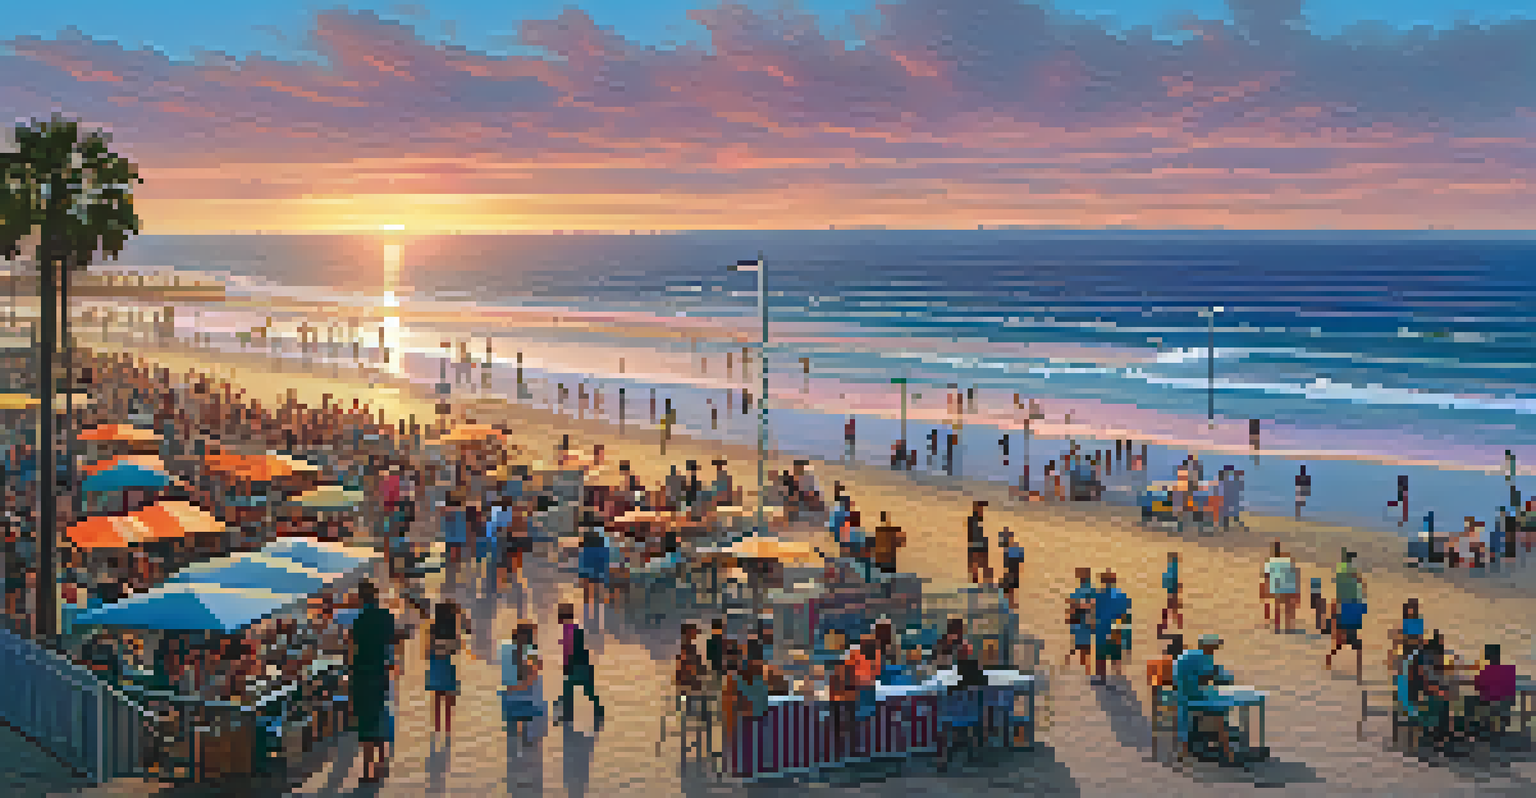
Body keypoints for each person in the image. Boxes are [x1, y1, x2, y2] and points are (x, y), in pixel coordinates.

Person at [348, 581, 397, 782]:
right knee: (380, 716)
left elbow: (353, 649)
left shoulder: (358, 620)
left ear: (361, 598)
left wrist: (350, 674)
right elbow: (393, 642)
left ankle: (367, 771)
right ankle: (381, 765)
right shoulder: (386, 617)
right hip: (380, 672)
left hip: (362, 673)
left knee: (366, 723)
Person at [1174, 634, 1236, 764]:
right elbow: (1209, 677)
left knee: (1190, 712)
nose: (1215, 650)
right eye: (1214, 647)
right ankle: (1227, 751)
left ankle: (1186, 749)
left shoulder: (1190, 654)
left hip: (1181, 695)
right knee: (1220, 711)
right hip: (1191, 696)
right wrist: (1220, 676)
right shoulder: (1203, 657)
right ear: (1208, 647)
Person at [425, 600, 470, 735]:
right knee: (448, 699)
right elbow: (456, 648)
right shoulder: (452, 632)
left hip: (435, 666)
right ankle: (447, 728)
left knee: (438, 698)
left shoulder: (433, 628)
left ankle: (438, 727)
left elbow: (428, 651)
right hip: (447, 666)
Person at [556, 603, 603, 725]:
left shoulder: (568, 630)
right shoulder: (575, 627)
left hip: (575, 666)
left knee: (569, 690)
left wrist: (566, 666)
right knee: (587, 691)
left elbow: (569, 650)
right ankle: (598, 710)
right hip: (584, 665)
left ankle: (567, 714)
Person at [500, 621, 544, 743]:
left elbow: (506, 677)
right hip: (527, 700)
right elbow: (533, 676)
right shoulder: (530, 651)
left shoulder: (506, 648)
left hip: (509, 699)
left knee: (512, 738)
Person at [1325, 550, 1367, 681]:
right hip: (1351, 608)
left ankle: (1329, 661)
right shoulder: (1351, 574)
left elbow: (1341, 589)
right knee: (1352, 644)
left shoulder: (1341, 572)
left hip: (1345, 607)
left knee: (1339, 642)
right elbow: (1360, 585)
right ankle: (1358, 673)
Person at [1469, 644, 1517, 738]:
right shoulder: (1509, 670)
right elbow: (1512, 690)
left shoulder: (1485, 671)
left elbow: (1477, 687)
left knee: (1470, 700)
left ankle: (1477, 725)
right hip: (1505, 706)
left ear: (1489, 656)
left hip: (1490, 706)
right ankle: (1501, 724)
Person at [1092, 570, 1129, 684]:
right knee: (1115, 656)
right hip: (1116, 631)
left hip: (1102, 632)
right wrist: (1127, 640)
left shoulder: (1098, 596)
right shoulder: (1122, 597)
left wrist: (1092, 628)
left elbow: (1094, 614)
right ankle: (1117, 678)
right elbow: (1126, 618)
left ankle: (1101, 677)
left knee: (1101, 657)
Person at [1263, 542, 1301, 633]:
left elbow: (1267, 577)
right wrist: (1296, 589)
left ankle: (1277, 627)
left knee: (1277, 608)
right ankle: (1289, 627)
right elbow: (1294, 573)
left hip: (1277, 587)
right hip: (1289, 587)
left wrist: (1266, 590)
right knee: (1288, 608)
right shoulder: (1287, 560)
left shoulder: (1270, 562)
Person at [1065, 567, 1096, 675]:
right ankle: (1085, 671)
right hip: (1084, 624)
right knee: (1083, 649)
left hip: (1082, 624)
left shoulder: (1081, 592)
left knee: (1081, 648)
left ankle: (1084, 670)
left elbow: (1074, 605)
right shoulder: (1089, 591)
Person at [675, 623, 705, 693]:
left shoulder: (689, 647)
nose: (695, 635)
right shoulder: (686, 649)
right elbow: (686, 666)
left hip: (689, 682)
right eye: (693, 632)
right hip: (688, 683)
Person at [966, 500, 991, 585]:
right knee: (977, 564)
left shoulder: (978, 520)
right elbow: (971, 535)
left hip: (978, 544)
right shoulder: (973, 520)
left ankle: (982, 581)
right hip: (976, 545)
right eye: (980, 509)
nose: (982, 512)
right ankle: (978, 581)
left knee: (980, 564)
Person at [999, 528, 1025, 609]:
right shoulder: (1013, 548)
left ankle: (1008, 603)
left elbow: (1009, 563)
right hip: (1013, 570)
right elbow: (1021, 558)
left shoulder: (1009, 549)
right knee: (1010, 588)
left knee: (1009, 588)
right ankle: (1009, 603)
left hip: (1012, 570)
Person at [1161, 551, 1182, 631]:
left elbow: (1166, 580)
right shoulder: (1173, 569)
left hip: (1171, 591)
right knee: (1173, 608)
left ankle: (1165, 624)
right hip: (1173, 591)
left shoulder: (1171, 569)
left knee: (1171, 608)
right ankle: (1176, 624)